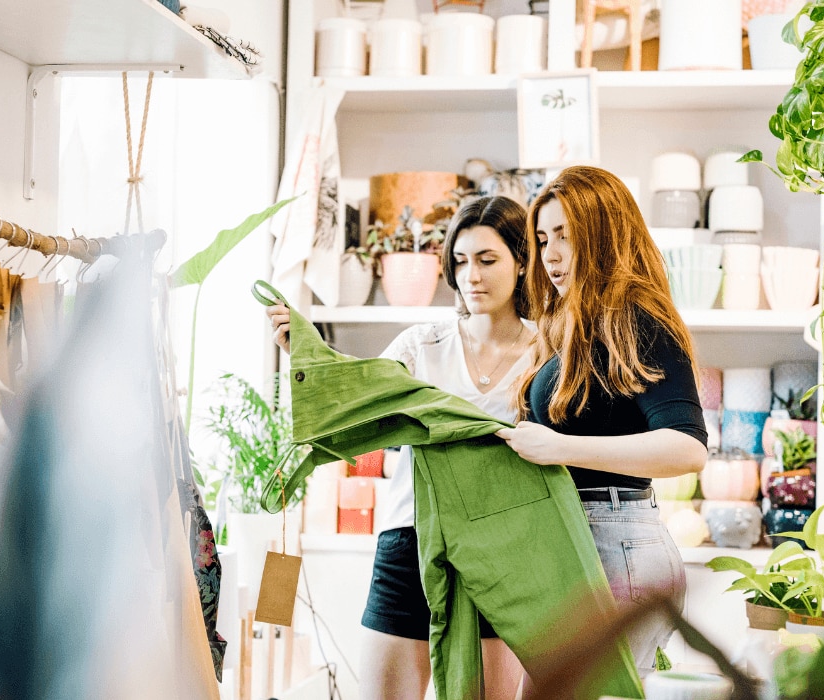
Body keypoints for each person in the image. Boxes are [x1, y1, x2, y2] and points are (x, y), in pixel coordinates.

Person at [266, 196, 533, 700]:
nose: (471, 275)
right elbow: (358, 395)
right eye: (460, 261)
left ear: (522, 262)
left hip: (501, 552)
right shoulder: (422, 345)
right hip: (409, 541)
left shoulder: (550, 355)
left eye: (487, 259)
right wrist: (304, 353)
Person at [495, 166, 708, 677]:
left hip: (617, 544)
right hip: (587, 538)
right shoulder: (576, 325)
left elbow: (688, 448)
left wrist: (562, 449)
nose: (550, 255)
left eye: (566, 236)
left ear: (604, 231)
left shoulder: (636, 317)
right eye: (543, 239)